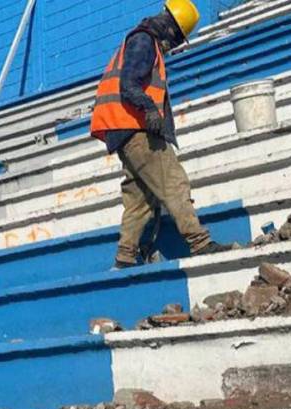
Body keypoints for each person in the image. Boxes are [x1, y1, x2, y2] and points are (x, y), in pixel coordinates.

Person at [90, 0, 232, 269]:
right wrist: (150, 109)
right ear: (171, 28)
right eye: (177, 38)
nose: (174, 45)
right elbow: (128, 84)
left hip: (123, 132)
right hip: (138, 129)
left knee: (140, 198)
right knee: (174, 182)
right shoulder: (144, 42)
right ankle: (200, 243)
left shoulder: (141, 40)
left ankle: (125, 257)